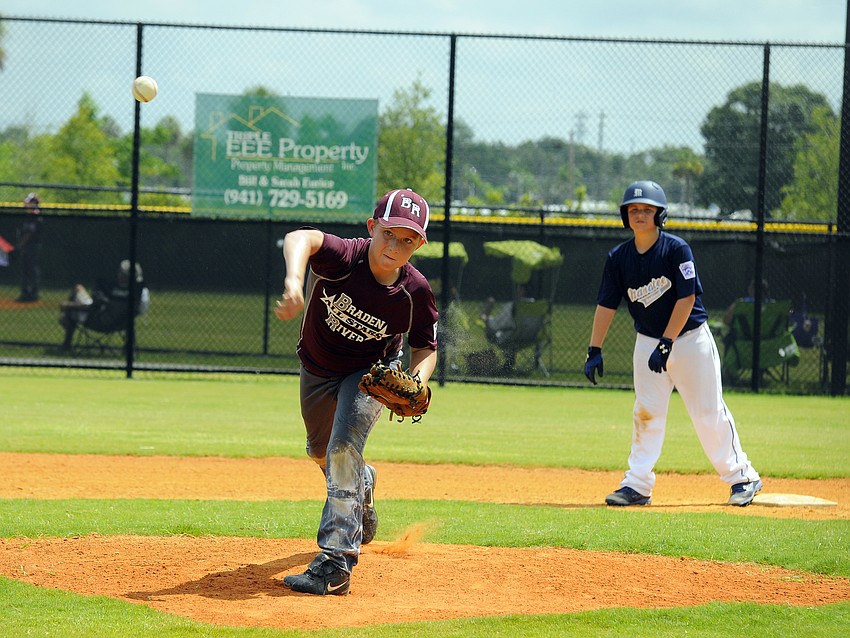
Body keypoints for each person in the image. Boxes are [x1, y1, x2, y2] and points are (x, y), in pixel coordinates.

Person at [274, 188, 438, 595]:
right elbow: (300, 238)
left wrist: (418, 380)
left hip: (369, 376)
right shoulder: (345, 257)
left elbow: (426, 347)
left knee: (342, 449)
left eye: (408, 239)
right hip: (316, 367)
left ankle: (336, 562)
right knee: (320, 452)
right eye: (389, 233)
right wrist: (295, 282)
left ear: (419, 244)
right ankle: (361, 481)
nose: (395, 246)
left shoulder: (415, 291)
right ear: (372, 227)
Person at [584, 180, 762, 507]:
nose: (639, 214)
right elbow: (606, 304)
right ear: (625, 215)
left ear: (659, 214)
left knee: (707, 413)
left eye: (647, 209)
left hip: (690, 340)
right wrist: (594, 348)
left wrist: (667, 343)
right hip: (648, 342)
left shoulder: (676, 249)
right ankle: (637, 485)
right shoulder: (618, 258)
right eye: (633, 209)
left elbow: (687, 296)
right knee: (646, 413)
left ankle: (743, 477)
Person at [59, 259, 147, 351]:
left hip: (97, 320)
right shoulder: (137, 293)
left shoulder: (111, 292)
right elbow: (139, 311)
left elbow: (92, 308)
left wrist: (69, 305)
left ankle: (66, 343)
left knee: (75, 295)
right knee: (78, 289)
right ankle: (129, 348)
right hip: (122, 323)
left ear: (124, 275)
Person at [16, 192, 43, 302]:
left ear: (34, 203)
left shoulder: (35, 214)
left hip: (32, 246)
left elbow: (30, 233)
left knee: (31, 269)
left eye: (29, 202)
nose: (26, 204)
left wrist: (21, 245)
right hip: (29, 246)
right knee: (26, 269)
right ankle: (27, 292)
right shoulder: (29, 214)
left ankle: (33, 293)